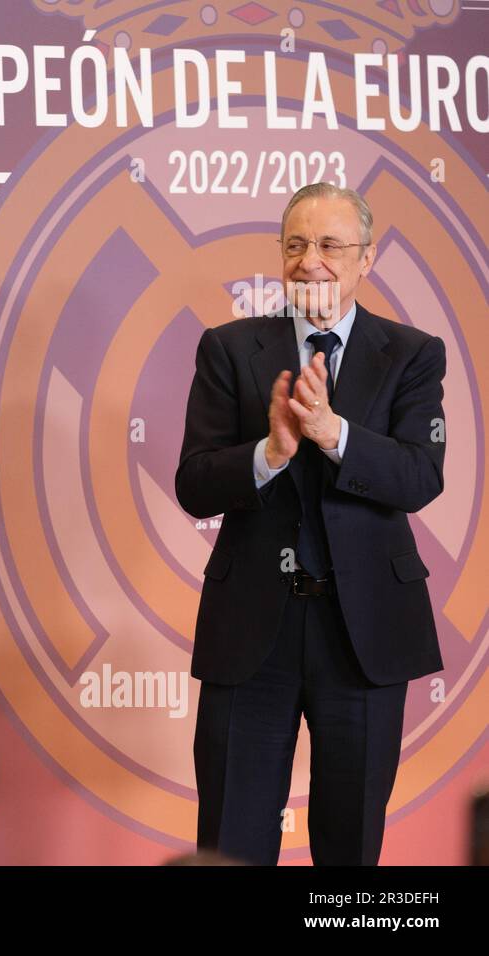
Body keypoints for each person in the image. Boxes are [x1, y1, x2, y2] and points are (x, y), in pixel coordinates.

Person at [175, 182, 446, 865]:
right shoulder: (230, 349)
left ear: (365, 258)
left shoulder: (412, 353)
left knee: (349, 845)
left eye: (330, 245)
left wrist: (333, 433)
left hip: (364, 634)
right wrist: (269, 453)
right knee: (231, 841)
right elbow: (195, 483)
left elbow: (419, 476)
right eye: (295, 245)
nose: (310, 262)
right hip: (252, 634)